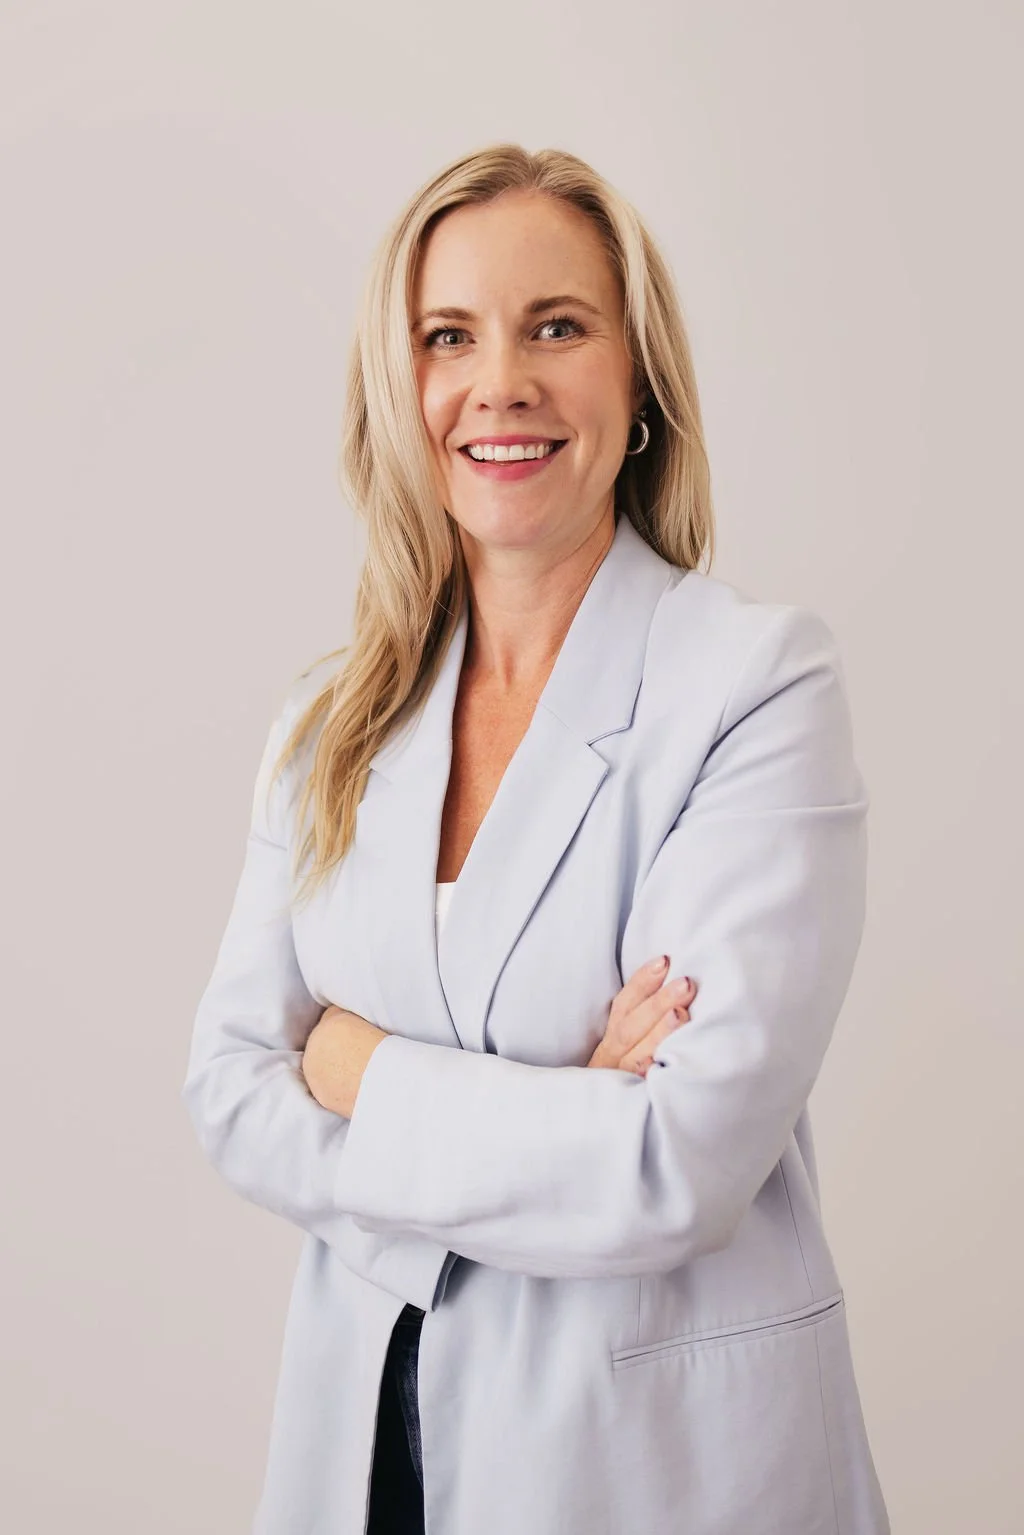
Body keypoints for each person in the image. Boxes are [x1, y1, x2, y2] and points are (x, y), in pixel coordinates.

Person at [181, 142, 891, 1534]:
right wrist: (566, 1106)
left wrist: (356, 1065)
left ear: (640, 379)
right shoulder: (330, 722)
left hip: (654, 1470)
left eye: (556, 327)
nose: (499, 382)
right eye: (449, 336)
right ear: (402, 387)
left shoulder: (754, 684)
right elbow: (230, 1093)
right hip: (367, 1444)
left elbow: (672, 1165)